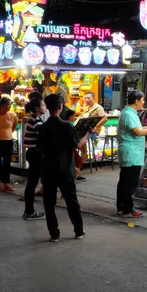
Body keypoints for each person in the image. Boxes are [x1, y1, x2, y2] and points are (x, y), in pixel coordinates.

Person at [37, 94, 93, 242]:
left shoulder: (43, 127)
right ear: (60, 106)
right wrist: (87, 133)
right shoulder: (67, 126)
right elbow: (77, 144)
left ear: (48, 108)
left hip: (49, 170)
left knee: (49, 203)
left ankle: (54, 233)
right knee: (71, 201)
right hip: (65, 170)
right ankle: (78, 230)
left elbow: (40, 149)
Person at [116, 90, 147, 218]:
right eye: (142, 100)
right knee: (130, 182)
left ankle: (121, 206)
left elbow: (140, 129)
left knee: (124, 181)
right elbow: (138, 132)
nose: (143, 103)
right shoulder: (129, 114)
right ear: (136, 101)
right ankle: (127, 209)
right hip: (131, 153)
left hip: (131, 152)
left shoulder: (129, 113)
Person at [22, 98, 46, 220]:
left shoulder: (35, 119)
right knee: (32, 183)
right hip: (35, 154)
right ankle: (29, 211)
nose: (45, 107)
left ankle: (29, 210)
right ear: (37, 108)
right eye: (43, 105)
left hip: (33, 153)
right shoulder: (35, 121)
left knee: (32, 182)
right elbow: (44, 135)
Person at [0, 97, 18, 192]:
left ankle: (5, 183)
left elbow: (14, 126)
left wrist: (8, 133)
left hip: (8, 141)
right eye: (7, 105)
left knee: (6, 163)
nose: (9, 107)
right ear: (2, 105)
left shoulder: (12, 115)